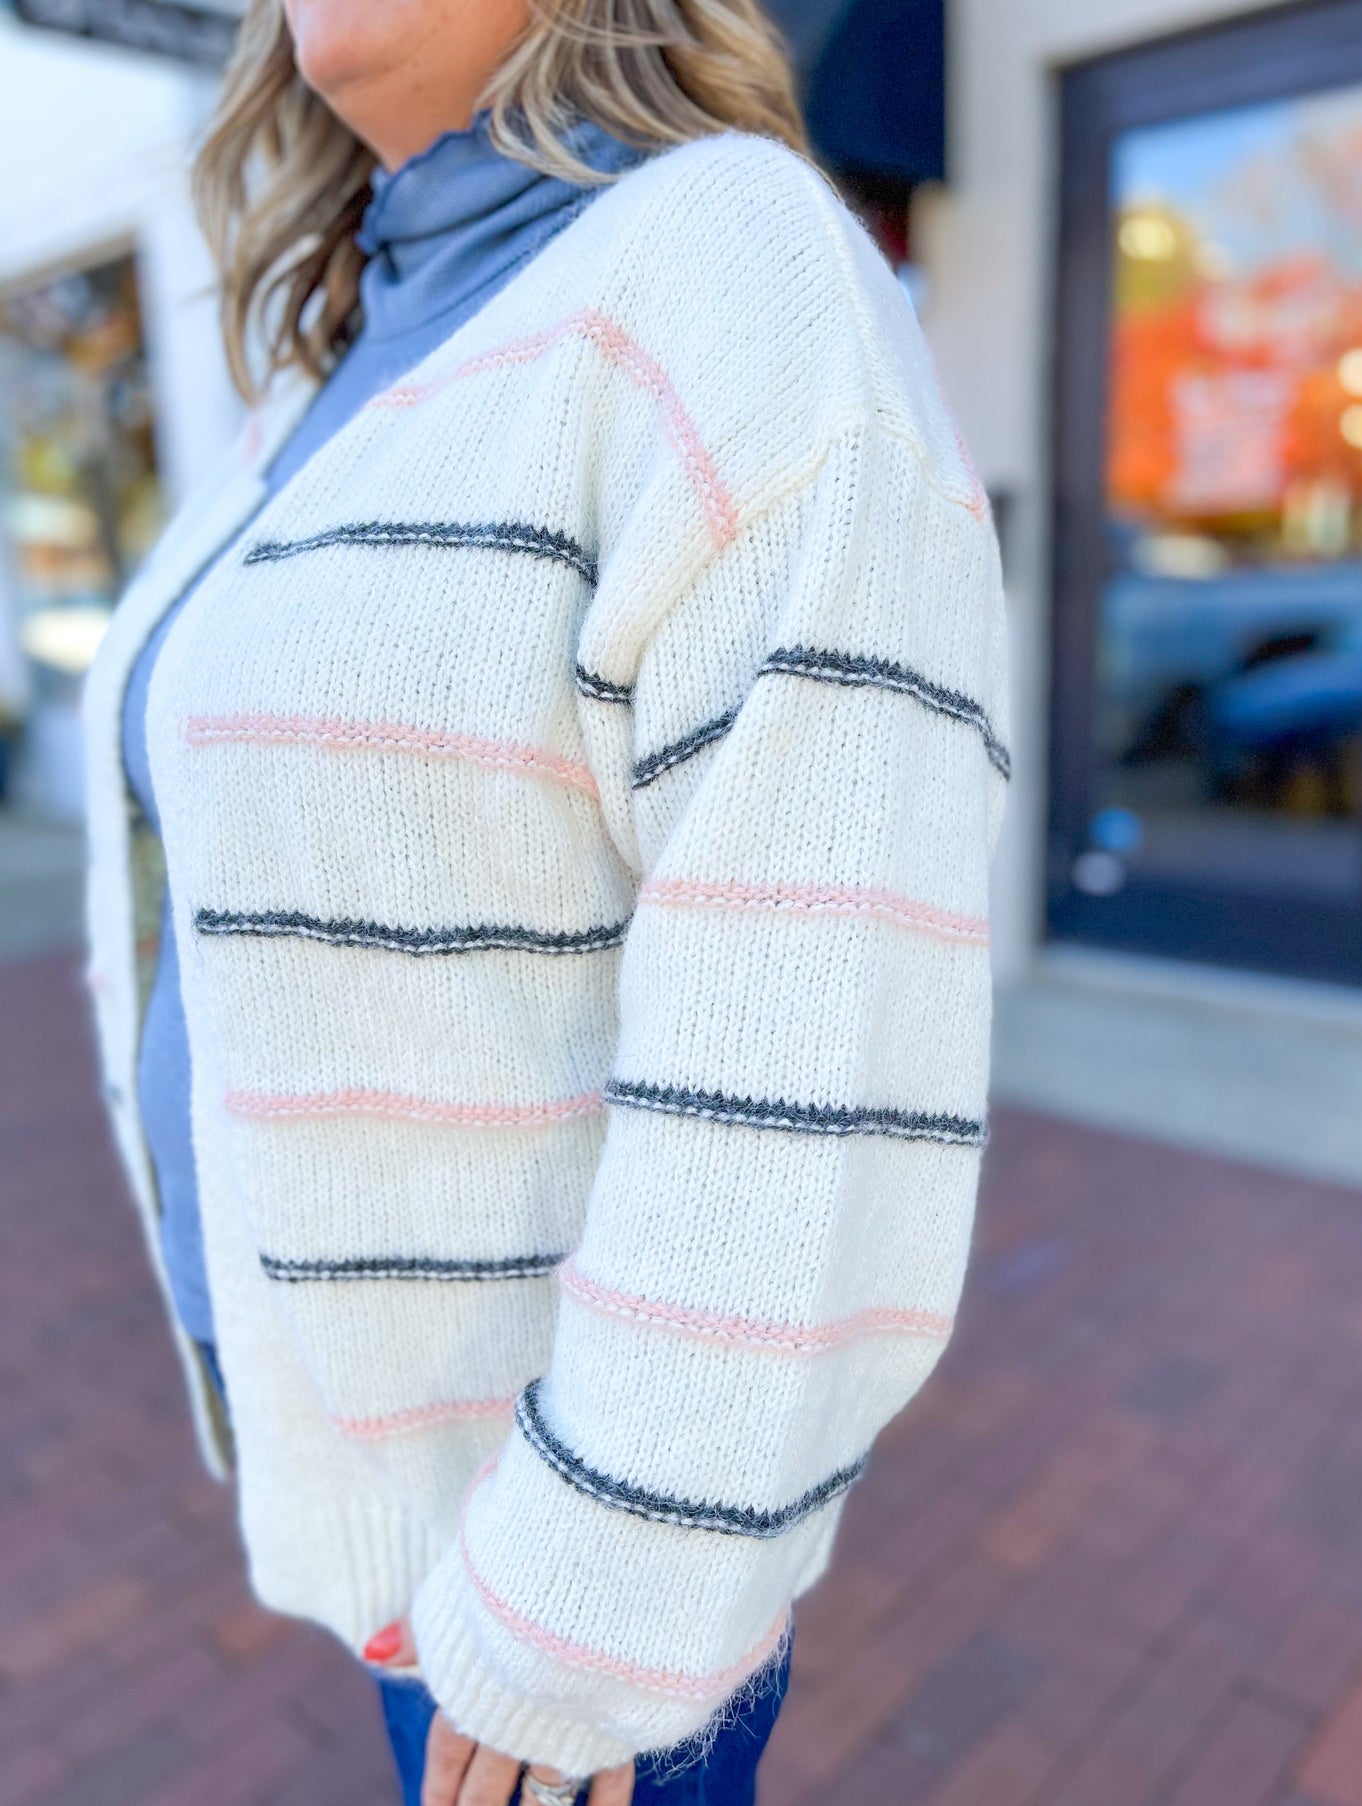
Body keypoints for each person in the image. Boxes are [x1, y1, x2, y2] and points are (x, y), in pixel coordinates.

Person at [82, 0, 1010, 1801]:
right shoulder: (349, 344)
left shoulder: (732, 264)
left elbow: (820, 1021)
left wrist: (582, 1608)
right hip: (401, 1527)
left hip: (563, 1584)